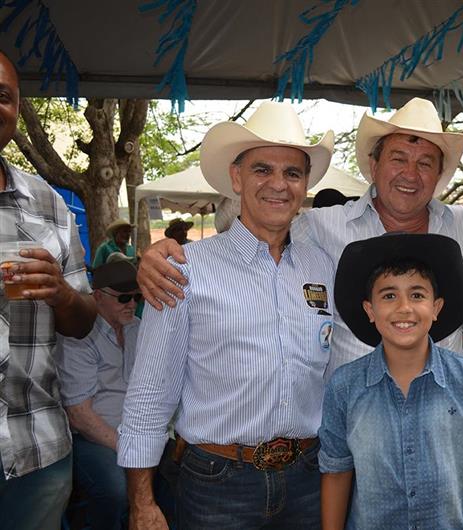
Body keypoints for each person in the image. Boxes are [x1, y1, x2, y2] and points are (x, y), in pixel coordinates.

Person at [136, 97, 463, 376]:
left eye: (426, 162)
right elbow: (258, 229)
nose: (410, 173)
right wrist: (163, 253)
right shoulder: (320, 227)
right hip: (351, 424)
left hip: (442, 416)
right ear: (374, 164)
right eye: (398, 157)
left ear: (440, 175)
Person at [117, 101, 336, 529]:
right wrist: (142, 503)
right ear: (236, 178)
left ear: (305, 183)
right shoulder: (184, 269)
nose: (278, 184)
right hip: (217, 482)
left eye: (292, 173)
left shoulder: (322, 266)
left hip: (308, 478)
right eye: (262, 170)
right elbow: (150, 392)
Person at [319, 233, 463, 529]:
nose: (404, 308)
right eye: (389, 296)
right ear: (370, 310)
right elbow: (337, 473)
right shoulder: (345, 386)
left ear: (436, 307)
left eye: (417, 295)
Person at [0, 49, 96, 530]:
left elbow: (83, 322)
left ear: (17, 109)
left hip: (36, 447)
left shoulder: (47, 202)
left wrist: (61, 292)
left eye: (4, 96)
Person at [56, 260, 155, 529]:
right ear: (97, 296)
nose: (131, 304)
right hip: (92, 438)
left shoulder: (138, 328)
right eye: (123, 297)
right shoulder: (79, 335)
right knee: (115, 489)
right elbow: (80, 416)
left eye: (136, 297)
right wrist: (129, 447)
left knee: (180, 475)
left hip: (135, 433)